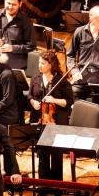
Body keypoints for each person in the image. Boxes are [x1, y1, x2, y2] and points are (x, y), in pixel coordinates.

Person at [28, 50, 74, 180]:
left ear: (51, 65)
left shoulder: (62, 81)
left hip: (56, 121)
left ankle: (56, 184)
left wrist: (54, 100)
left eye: (43, 63)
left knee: (56, 154)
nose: (39, 65)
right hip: (39, 119)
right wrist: (33, 102)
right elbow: (30, 95)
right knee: (42, 154)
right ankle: (43, 184)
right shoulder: (36, 78)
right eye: (39, 62)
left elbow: (69, 101)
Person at [66, 5, 99, 100]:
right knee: (72, 96)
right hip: (82, 75)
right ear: (92, 20)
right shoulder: (79, 32)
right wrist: (74, 71)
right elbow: (70, 55)